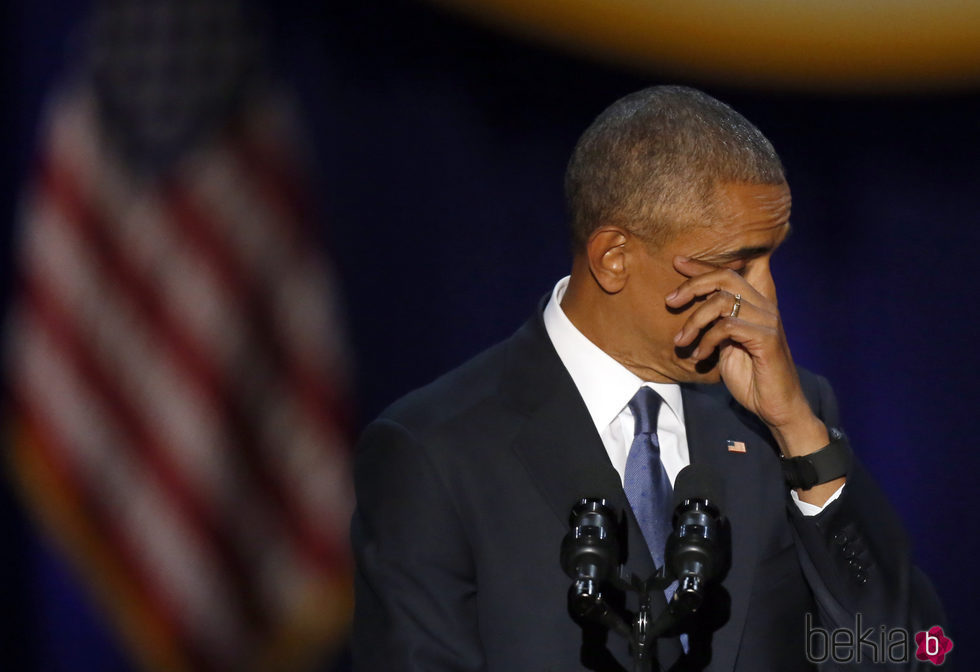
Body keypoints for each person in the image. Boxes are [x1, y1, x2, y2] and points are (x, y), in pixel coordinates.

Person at [350, 86, 946, 671]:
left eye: (770, 262)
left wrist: (799, 436)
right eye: (733, 267)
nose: (763, 298)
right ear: (614, 258)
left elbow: (909, 654)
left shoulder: (789, 418)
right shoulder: (436, 451)